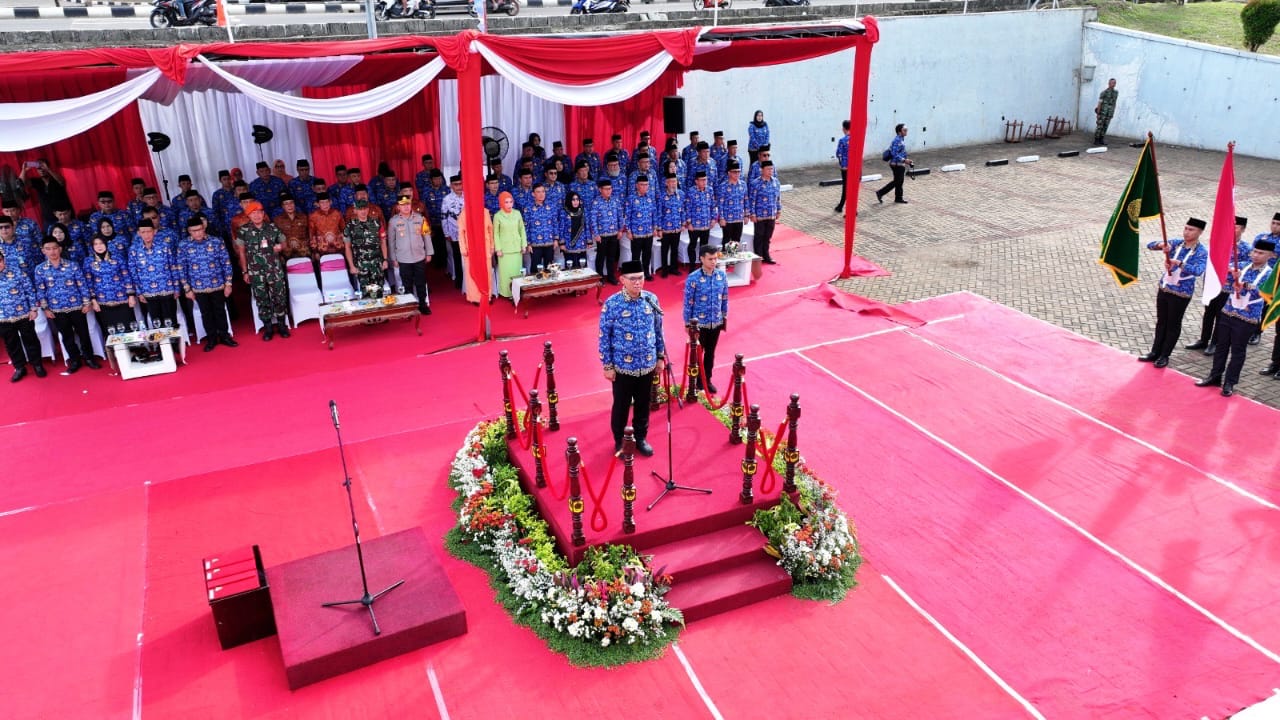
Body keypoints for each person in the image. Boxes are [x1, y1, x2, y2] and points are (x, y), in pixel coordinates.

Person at [599, 260, 666, 456]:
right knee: (621, 406)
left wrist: (660, 357)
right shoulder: (612, 304)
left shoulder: (651, 299)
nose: (638, 282)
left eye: (641, 278)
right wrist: (607, 365)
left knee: (643, 404)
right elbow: (604, 336)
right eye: (633, 279)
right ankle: (619, 441)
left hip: (647, 364)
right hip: (623, 366)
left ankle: (641, 437)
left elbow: (658, 331)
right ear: (622, 280)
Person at [1197, 239, 1275, 396]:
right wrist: (1230, 273)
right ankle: (1215, 375)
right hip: (1229, 311)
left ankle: (1230, 382)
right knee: (1221, 346)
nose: (1256, 255)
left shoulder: (1270, 274)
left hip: (1247, 317)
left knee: (1238, 351)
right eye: (1255, 251)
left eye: (1261, 253)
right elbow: (1224, 274)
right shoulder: (1243, 265)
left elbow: (1265, 292)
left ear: (1270, 255)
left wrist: (1244, 284)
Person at [1139, 218, 1207, 368]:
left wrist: (1180, 263)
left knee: (1173, 324)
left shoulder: (1201, 251)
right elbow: (1150, 245)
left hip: (1181, 292)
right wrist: (1161, 245)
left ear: (1200, 232)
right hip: (1165, 287)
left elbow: (1198, 271)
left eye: (1191, 230)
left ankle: (1165, 355)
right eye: (1186, 228)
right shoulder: (1177, 243)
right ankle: (1155, 351)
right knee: (1161, 321)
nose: (1187, 232)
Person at [35, 236, 100, 372]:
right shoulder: (40, 269)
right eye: (48, 249)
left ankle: (89, 358)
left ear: (60, 249)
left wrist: (86, 303)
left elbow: (82, 285)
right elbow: (41, 291)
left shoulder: (72, 265)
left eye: (54, 248)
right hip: (56, 309)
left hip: (77, 306)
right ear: (43, 251)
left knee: (83, 334)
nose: (52, 251)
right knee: (67, 336)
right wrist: (45, 309)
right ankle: (74, 360)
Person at [1187, 215, 1248, 355]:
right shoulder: (1219, 242)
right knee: (1209, 313)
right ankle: (1203, 339)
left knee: (1221, 316)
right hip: (1213, 283)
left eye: (1236, 227)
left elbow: (1248, 264)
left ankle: (1215, 342)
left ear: (1243, 229)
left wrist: (1230, 266)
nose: (1232, 229)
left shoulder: (1245, 248)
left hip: (1228, 287)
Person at [236, 201, 290, 340]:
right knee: (261, 298)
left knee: (279, 296)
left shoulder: (272, 227)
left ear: (263, 213)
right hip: (255, 272)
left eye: (259, 212)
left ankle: (282, 325)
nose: (257, 215)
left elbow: (284, 242)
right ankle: (268, 328)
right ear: (248, 215)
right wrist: (244, 272)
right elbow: (241, 252)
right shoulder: (243, 231)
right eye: (253, 213)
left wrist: (280, 247)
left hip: (274, 270)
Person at [179, 218, 236, 352]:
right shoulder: (183, 245)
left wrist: (228, 283)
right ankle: (211, 338)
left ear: (204, 228)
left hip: (217, 284)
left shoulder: (216, 241)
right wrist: (187, 289)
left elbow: (226, 263)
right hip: (198, 287)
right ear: (189, 231)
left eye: (199, 230)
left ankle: (224, 335)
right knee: (205, 313)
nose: (197, 233)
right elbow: (181, 268)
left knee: (220, 310)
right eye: (194, 231)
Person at [683, 244, 729, 394]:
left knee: (710, 353)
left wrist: (724, 317)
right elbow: (688, 302)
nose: (713, 262)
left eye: (715, 258)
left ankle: (706, 380)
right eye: (710, 259)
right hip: (699, 324)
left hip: (715, 322)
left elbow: (725, 298)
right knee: (697, 354)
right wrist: (687, 323)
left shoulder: (721, 276)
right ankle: (695, 382)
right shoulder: (693, 278)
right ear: (702, 259)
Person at [0, 250, 45, 381]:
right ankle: (19, 367)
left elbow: (30, 291)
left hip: (24, 314)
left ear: (3, 260)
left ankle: (37, 364)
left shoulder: (17, 272)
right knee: (11, 343)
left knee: (31, 340)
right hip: (3, 318)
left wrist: (33, 309)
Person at [128, 220, 180, 331]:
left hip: (167, 289)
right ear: (139, 233)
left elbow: (173, 267)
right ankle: (161, 341)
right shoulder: (134, 250)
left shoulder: (164, 246)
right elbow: (133, 273)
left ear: (154, 231)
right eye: (143, 232)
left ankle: (174, 341)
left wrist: (176, 288)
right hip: (148, 292)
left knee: (171, 321)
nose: (146, 235)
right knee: (156, 323)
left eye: (149, 231)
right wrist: (139, 292)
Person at [83, 235, 136, 341]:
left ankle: (134, 349)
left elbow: (126, 276)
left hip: (122, 299)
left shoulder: (117, 257)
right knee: (110, 331)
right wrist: (93, 300)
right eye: (96, 244)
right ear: (92, 246)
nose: (99, 246)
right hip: (103, 301)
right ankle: (115, 350)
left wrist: (131, 295)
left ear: (106, 244)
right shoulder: (88, 261)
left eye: (101, 243)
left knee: (128, 328)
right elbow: (88, 282)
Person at [387, 197, 433, 315]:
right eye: (403, 205)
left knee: (421, 282)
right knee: (407, 284)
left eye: (408, 204)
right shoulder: (393, 221)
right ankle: (411, 307)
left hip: (419, 256)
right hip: (403, 258)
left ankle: (423, 304)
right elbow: (391, 242)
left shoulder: (420, 218)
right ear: (398, 207)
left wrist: (429, 253)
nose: (406, 207)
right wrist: (393, 258)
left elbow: (426, 236)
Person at [343, 200, 387, 299]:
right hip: (361, 266)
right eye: (360, 209)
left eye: (365, 208)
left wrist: (385, 259)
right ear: (355, 210)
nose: (363, 211)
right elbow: (347, 247)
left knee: (378, 293)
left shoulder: (377, 223)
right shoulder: (350, 226)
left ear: (368, 209)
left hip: (377, 265)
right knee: (366, 295)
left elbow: (383, 242)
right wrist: (351, 266)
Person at [457, 201, 494, 305]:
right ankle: (475, 297)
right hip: (471, 248)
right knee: (472, 273)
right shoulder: (464, 214)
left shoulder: (485, 212)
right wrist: (463, 248)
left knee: (486, 272)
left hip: (485, 247)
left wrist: (492, 246)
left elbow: (490, 230)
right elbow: (461, 232)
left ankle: (487, 296)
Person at [623, 175, 659, 281]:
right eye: (642, 185)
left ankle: (646, 273)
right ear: (637, 185)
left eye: (646, 185)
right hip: (636, 233)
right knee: (636, 255)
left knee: (647, 254)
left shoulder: (650, 198)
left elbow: (654, 214)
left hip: (648, 232)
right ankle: (635, 274)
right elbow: (627, 216)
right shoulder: (631, 198)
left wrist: (655, 228)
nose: (644, 187)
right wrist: (628, 231)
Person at [590, 178, 624, 284]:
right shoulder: (596, 202)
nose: (609, 191)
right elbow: (593, 219)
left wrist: (620, 230)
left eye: (610, 189)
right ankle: (600, 277)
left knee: (611, 257)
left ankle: (611, 276)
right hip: (602, 235)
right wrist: (596, 234)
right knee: (601, 256)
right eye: (606, 189)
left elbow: (620, 216)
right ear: (600, 190)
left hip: (614, 233)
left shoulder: (615, 200)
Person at [493, 192, 527, 300]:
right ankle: (506, 293)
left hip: (517, 248)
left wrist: (523, 245)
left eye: (511, 202)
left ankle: (516, 292)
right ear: (501, 203)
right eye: (506, 202)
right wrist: (498, 249)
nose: (509, 204)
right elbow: (495, 233)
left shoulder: (517, 213)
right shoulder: (498, 216)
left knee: (516, 271)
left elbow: (522, 229)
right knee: (506, 273)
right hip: (504, 250)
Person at [747, 161, 781, 265]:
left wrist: (779, 210)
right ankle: (758, 256)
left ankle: (766, 255)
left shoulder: (775, 182)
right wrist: (752, 214)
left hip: (771, 214)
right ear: (762, 170)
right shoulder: (755, 183)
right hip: (760, 215)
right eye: (768, 169)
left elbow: (778, 197)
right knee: (759, 236)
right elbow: (752, 200)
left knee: (767, 236)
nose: (770, 171)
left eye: (772, 169)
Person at [657, 172, 687, 278]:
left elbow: (683, 210)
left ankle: (674, 268)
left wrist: (683, 224)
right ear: (666, 183)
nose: (673, 184)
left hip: (677, 227)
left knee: (675, 249)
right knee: (664, 250)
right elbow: (659, 213)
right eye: (671, 182)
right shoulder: (661, 196)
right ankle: (665, 270)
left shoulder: (681, 194)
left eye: (675, 181)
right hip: (665, 228)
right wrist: (659, 229)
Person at [524, 184, 559, 275]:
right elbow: (526, 226)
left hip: (549, 242)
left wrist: (556, 239)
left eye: (543, 191)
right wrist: (528, 243)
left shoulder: (551, 206)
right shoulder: (528, 208)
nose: (541, 194)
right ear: (533, 194)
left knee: (550, 269)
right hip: (535, 244)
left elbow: (555, 223)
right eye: (538, 192)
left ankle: (550, 284)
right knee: (536, 269)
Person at [684, 171, 716, 270]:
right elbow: (687, 208)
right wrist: (689, 222)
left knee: (704, 246)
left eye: (705, 180)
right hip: (694, 225)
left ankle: (703, 265)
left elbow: (713, 205)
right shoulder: (691, 191)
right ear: (696, 181)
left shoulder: (710, 190)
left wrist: (713, 219)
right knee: (692, 245)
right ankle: (692, 266)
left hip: (706, 224)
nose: (704, 182)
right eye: (702, 180)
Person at [876, 124, 913, 205]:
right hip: (896, 164)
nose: (906, 131)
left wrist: (906, 161)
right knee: (897, 181)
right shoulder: (897, 140)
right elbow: (894, 153)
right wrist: (904, 160)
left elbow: (902, 152)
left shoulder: (901, 139)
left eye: (906, 130)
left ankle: (898, 198)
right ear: (899, 132)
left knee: (900, 181)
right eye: (904, 130)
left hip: (900, 164)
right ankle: (880, 192)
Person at [3, 198, 42, 272]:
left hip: (34, 262)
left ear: (18, 210)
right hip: (13, 268)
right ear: (3, 211)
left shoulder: (30, 223)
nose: (10, 214)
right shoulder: (2, 227)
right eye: (7, 211)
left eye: (13, 210)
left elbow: (40, 241)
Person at [441, 174, 466, 290]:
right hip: (455, 233)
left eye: (460, 184)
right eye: (456, 184)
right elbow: (444, 217)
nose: (459, 187)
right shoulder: (447, 199)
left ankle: (469, 281)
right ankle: (460, 281)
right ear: (451, 186)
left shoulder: (467, 196)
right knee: (457, 257)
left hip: (468, 233)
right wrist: (446, 233)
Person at [717, 161, 748, 251]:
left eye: (738, 172)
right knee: (727, 240)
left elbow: (746, 200)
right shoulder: (723, 186)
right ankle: (725, 257)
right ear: (729, 173)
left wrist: (746, 215)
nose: (737, 174)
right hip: (727, 218)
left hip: (739, 217)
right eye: (734, 172)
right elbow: (720, 204)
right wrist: (721, 218)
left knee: (736, 240)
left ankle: (732, 256)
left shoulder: (743, 185)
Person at [308, 191, 347, 265]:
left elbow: (344, 230)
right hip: (322, 250)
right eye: (322, 203)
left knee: (340, 269)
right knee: (325, 270)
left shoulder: (337, 213)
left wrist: (346, 248)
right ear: (317, 204)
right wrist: (315, 251)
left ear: (330, 202)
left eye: (327, 202)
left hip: (338, 249)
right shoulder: (313, 216)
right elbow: (312, 235)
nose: (325, 205)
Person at [273, 194, 311, 261]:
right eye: (286, 204)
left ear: (294, 204)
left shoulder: (303, 217)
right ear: (283, 206)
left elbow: (310, 234)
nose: (289, 205)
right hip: (287, 254)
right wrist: (280, 255)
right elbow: (275, 239)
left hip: (303, 253)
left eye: (291, 203)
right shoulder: (277, 220)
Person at [561, 191, 589, 270]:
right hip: (568, 244)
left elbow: (586, 226)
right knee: (570, 268)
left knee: (582, 267)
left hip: (581, 243)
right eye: (573, 200)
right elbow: (561, 228)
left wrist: (589, 240)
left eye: (577, 199)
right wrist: (562, 243)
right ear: (569, 200)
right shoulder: (564, 212)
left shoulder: (583, 211)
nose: (576, 202)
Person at [834, 120, 851, 214]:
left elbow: (838, 154)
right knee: (853, 188)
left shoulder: (842, 140)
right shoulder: (856, 139)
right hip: (855, 167)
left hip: (845, 168)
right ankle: (851, 208)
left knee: (846, 188)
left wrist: (842, 164)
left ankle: (842, 207)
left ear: (844, 129)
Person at [1094, 78, 1118, 146]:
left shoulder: (1116, 93)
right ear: (1109, 83)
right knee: (1100, 126)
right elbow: (1099, 103)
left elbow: (1114, 103)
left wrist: (1113, 112)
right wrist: (1098, 113)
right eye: (1112, 83)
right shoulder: (1104, 93)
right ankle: (1096, 139)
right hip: (1102, 112)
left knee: (1105, 126)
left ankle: (1101, 139)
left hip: (1109, 113)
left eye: (1115, 83)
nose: (1113, 84)